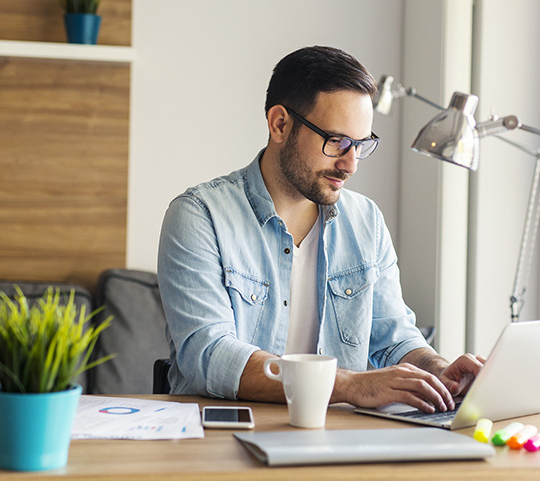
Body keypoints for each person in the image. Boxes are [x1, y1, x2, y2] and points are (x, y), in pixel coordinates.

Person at [157, 45, 484, 414]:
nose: (350, 164)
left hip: (339, 438)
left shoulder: (366, 222)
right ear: (280, 124)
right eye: (337, 142)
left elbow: (393, 337)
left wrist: (437, 371)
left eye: (360, 145)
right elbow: (210, 355)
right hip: (223, 438)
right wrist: (350, 384)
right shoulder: (199, 216)